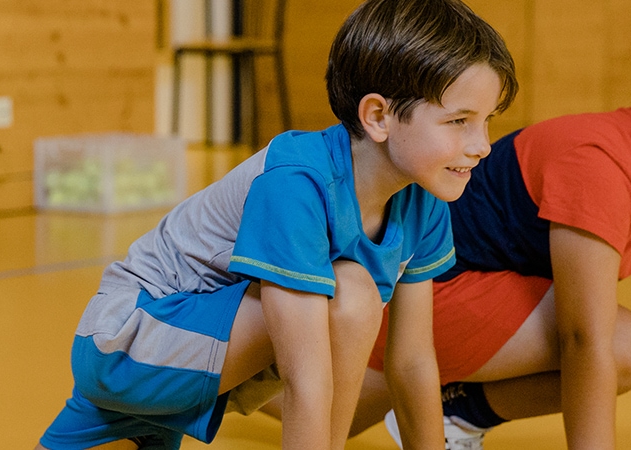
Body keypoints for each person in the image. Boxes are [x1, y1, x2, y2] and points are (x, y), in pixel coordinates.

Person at [317, 1, 631, 448]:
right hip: (421, 304)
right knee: (622, 343)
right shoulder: (599, 162)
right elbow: (584, 340)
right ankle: (455, 413)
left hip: (466, 312)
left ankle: (454, 411)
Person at [35, 0, 517, 448]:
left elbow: (412, 363)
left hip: (207, 361)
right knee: (351, 293)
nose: (483, 144)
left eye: (487, 121)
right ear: (377, 116)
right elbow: (305, 379)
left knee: (350, 295)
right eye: (459, 121)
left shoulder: (423, 199)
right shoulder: (297, 181)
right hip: (131, 341)